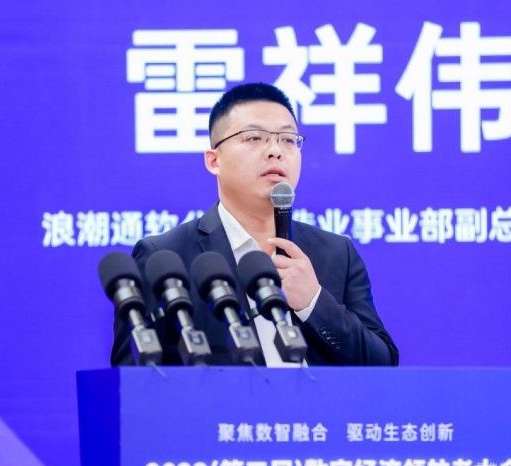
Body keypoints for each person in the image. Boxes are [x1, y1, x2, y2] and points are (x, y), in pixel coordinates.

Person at [111, 82, 398, 367]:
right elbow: (131, 376)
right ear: (214, 161)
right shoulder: (166, 258)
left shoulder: (337, 253)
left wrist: (313, 302)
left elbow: (383, 365)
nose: (275, 151)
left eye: (288, 140)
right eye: (254, 138)